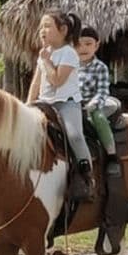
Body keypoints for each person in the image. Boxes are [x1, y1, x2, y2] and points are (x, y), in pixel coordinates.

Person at [27, 10, 93, 201]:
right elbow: (36, 82)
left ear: (63, 30)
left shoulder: (69, 53)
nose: (42, 31)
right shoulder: (43, 55)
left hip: (66, 104)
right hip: (44, 104)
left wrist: (46, 61)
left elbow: (57, 80)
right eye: (41, 27)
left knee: (75, 135)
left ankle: (87, 175)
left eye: (47, 26)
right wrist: (28, 104)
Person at [75, 26, 121, 177]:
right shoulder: (70, 66)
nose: (83, 48)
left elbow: (102, 91)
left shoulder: (100, 67)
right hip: (73, 104)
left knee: (99, 118)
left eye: (88, 44)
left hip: (93, 103)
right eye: (79, 44)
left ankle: (112, 155)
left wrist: (93, 105)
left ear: (97, 45)